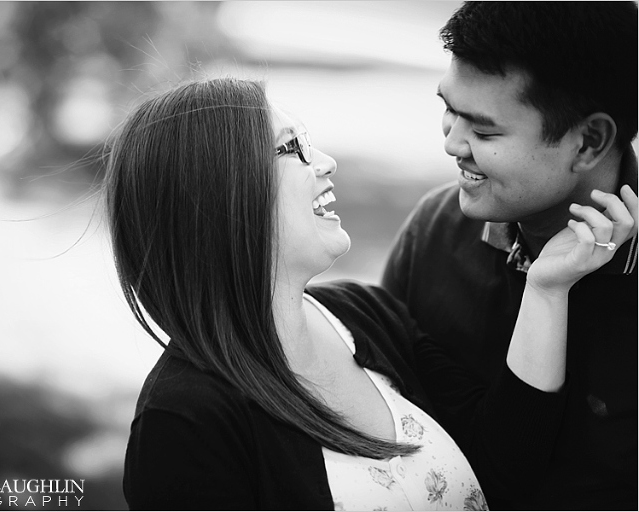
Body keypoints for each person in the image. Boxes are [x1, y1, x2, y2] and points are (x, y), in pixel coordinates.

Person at [105, 78, 635, 510]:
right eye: (291, 148)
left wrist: (545, 289)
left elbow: (503, 467)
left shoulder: (364, 314)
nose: (326, 162)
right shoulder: (184, 420)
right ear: (220, 194)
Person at [381, 2, 638, 510]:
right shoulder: (434, 232)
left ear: (589, 141)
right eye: (449, 111)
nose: (453, 144)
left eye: (484, 130)